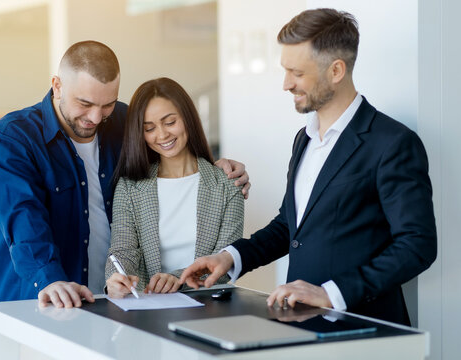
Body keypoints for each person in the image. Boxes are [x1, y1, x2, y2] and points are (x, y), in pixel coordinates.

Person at [180, 8, 437, 325]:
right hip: (301, 328)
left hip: (365, 330)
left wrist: (333, 294)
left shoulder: (392, 143)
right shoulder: (303, 139)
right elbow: (289, 226)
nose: (286, 84)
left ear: (336, 70)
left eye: (297, 73)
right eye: (285, 71)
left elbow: (417, 245)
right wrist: (230, 257)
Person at [0, 41, 250, 308]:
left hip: (113, 300)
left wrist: (217, 168)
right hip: (44, 297)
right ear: (57, 85)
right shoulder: (13, 138)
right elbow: (23, 218)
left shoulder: (125, 121)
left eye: (107, 104)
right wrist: (49, 279)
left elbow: (170, 153)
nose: (96, 117)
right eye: (84, 103)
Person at [105, 78, 244, 298]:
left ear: (187, 118)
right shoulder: (130, 186)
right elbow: (124, 249)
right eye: (149, 128)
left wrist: (179, 278)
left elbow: (225, 260)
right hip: (147, 308)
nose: (161, 135)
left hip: (208, 307)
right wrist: (116, 278)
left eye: (170, 122)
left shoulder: (227, 184)